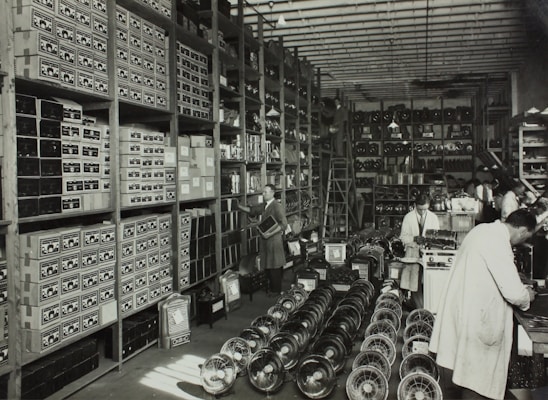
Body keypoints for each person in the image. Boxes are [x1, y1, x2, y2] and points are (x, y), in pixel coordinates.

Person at [429, 209, 537, 399]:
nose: (523, 241)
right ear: (522, 231)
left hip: (463, 313)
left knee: (462, 372)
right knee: (477, 381)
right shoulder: (497, 241)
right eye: (526, 237)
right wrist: (527, 295)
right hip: (477, 322)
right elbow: (513, 292)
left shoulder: (482, 230)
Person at [238, 184, 288, 296]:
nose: (263, 194)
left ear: (273, 193)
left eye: (266, 192)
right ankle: (273, 288)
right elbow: (252, 210)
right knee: (269, 265)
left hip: (274, 240)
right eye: (263, 192)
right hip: (266, 241)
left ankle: (276, 290)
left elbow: (283, 224)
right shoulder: (265, 205)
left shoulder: (276, 206)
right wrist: (239, 206)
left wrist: (270, 233)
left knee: (274, 266)